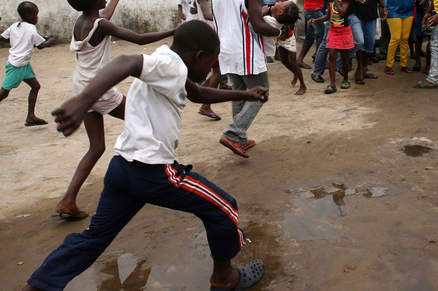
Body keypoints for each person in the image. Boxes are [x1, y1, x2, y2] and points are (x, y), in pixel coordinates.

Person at [22, 20, 267, 291]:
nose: (211, 70)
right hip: (153, 172)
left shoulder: (168, 61)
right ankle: (224, 279)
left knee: (95, 237)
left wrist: (245, 93)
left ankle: (38, 286)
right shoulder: (170, 66)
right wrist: (82, 101)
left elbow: (197, 93)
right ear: (199, 56)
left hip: (121, 169)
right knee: (225, 208)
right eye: (210, 63)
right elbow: (127, 61)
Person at [54, 0, 175, 221]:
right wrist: (174, 31)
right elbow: (140, 39)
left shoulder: (82, 22)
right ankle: (156, 176)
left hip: (83, 91)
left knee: (96, 147)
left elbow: (103, 18)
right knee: (146, 118)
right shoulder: (101, 24)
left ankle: (68, 200)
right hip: (101, 92)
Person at [213, 0, 297, 158]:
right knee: (262, 92)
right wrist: (278, 33)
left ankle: (239, 139)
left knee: (239, 93)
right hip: (246, 50)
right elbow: (258, 24)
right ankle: (233, 133)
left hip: (226, 50)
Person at [310, 0, 365, 83]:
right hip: (336, 15)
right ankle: (316, 72)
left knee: (359, 41)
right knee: (325, 44)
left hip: (350, 13)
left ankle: (340, 64)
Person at [0, 1, 55, 125]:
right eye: (36, 15)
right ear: (29, 14)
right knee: (3, 94)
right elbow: (41, 45)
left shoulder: (15, 26)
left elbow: (2, 38)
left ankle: (31, 117)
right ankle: (30, 117)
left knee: (35, 87)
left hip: (23, 64)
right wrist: (51, 40)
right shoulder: (31, 29)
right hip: (17, 66)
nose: (37, 18)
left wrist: (15, 41)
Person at [310, 0, 354, 94]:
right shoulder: (330, 0)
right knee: (332, 56)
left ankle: (345, 79)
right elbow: (328, 16)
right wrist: (317, 20)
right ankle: (332, 84)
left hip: (344, 31)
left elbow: (342, 12)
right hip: (333, 31)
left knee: (344, 57)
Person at [193, 0, 222, 121]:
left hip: (214, 33)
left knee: (217, 69)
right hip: (208, 35)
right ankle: (206, 105)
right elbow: (206, 15)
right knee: (218, 70)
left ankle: (203, 90)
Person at [383, 0, 419, 74]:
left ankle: (404, 64)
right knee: (395, 38)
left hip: (408, 10)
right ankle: (389, 65)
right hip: (393, 10)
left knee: (405, 38)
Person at [266, 0, 306, 95]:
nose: (279, 0)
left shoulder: (288, 11)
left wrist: (280, 32)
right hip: (279, 38)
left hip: (288, 39)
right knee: (284, 61)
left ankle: (303, 85)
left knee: (293, 61)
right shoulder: (274, 10)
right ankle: (295, 74)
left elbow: (287, 31)